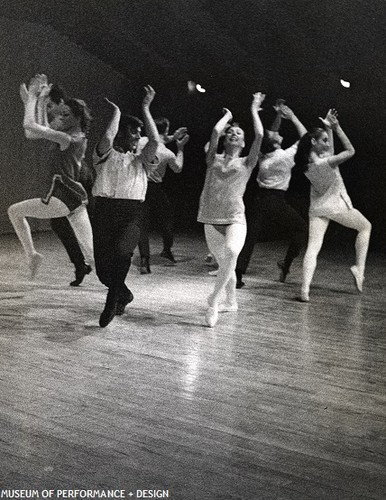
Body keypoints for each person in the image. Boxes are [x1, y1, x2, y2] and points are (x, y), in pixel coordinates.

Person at [8, 74, 94, 278]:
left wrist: (32, 99)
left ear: (77, 118)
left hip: (63, 197)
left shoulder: (67, 138)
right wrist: (34, 100)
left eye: (64, 115)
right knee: (92, 254)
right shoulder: (74, 135)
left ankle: (32, 255)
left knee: (14, 211)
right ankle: (121, 290)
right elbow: (34, 132)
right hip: (75, 198)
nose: (58, 118)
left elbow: (30, 126)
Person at [92, 86, 160, 327]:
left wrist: (145, 108)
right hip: (103, 211)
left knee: (122, 254)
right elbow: (108, 138)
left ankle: (112, 300)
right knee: (102, 271)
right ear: (121, 132)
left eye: (138, 130)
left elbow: (154, 140)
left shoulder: (142, 161)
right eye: (133, 130)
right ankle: (124, 294)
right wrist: (117, 113)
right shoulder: (105, 155)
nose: (137, 134)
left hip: (132, 213)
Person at [197, 92, 265, 327]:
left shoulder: (247, 162)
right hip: (210, 217)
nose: (233, 134)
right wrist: (227, 117)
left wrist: (254, 108)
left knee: (232, 253)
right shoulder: (212, 160)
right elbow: (215, 132)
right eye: (231, 132)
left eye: (238, 133)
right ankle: (232, 302)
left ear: (243, 143)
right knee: (225, 263)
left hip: (235, 218)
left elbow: (260, 134)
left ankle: (214, 301)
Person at [293, 110, 372, 302]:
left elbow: (328, 152)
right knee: (365, 227)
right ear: (314, 142)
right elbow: (350, 151)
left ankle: (304, 290)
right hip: (336, 205)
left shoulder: (307, 162)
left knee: (313, 247)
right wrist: (337, 128)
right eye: (324, 140)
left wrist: (327, 128)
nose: (327, 143)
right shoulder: (326, 162)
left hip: (318, 208)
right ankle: (359, 270)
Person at [235, 101, 308, 288]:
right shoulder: (285, 157)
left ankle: (237, 273)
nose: (276, 132)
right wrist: (292, 117)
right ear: (275, 142)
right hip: (276, 200)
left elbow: (269, 135)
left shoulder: (263, 155)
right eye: (276, 135)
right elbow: (307, 138)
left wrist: (278, 116)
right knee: (300, 228)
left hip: (259, 199)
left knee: (250, 236)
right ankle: (287, 263)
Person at [46, 84, 95, 286]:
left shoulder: (65, 115)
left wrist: (33, 101)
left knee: (71, 222)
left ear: (60, 103)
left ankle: (89, 263)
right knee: (60, 222)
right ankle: (82, 264)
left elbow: (42, 129)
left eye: (49, 105)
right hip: (75, 173)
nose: (49, 109)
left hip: (77, 174)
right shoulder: (64, 116)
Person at [136, 119, 189, 274]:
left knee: (141, 225)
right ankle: (167, 249)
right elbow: (178, 169)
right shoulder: (167, 153)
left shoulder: (141, 141)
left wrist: (171, 137)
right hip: (154, 188)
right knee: (166, 220)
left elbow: (155, 138)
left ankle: (145, 260)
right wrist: (180, 149)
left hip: (138, 186)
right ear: (165, 131)